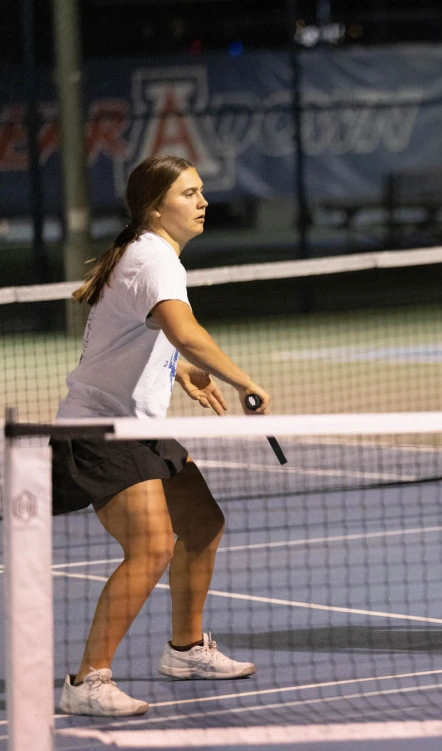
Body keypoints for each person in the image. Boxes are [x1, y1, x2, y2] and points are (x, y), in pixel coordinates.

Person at [52, 155, 272, 716]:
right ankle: (87, 681)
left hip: (138, 426)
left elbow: (150, 334)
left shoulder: (148, 255)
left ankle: (185, 649)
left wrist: (182, 368)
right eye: (189, 194)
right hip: (101, 429)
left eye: (202, 192)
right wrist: (240, 379)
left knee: (202, 524)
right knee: (150, 547)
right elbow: (182, 326)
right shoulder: (154, 258)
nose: (202, 202)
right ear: (155, 208)